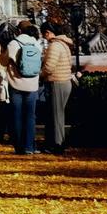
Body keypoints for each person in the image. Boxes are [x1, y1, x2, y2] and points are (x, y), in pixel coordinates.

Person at [7, 20, 42, 155]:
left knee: (16, 115)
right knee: (30, 116)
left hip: (16, 83)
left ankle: (19, 146)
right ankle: (29, 146)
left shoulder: (13, 43)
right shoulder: (36, 44)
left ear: (19, 30)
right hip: (32, 85)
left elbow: (6, 61)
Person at [40, 21, 73, 155]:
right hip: (65, 81)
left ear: (48, 32)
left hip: (56, 82)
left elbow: (49, 67)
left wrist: (41, 74)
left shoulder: (54, 46)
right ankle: (56, 142)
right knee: (58, 114)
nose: (44, 38)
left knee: (56, 115)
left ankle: (58, 144)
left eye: (44, 35)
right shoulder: (64, 44)